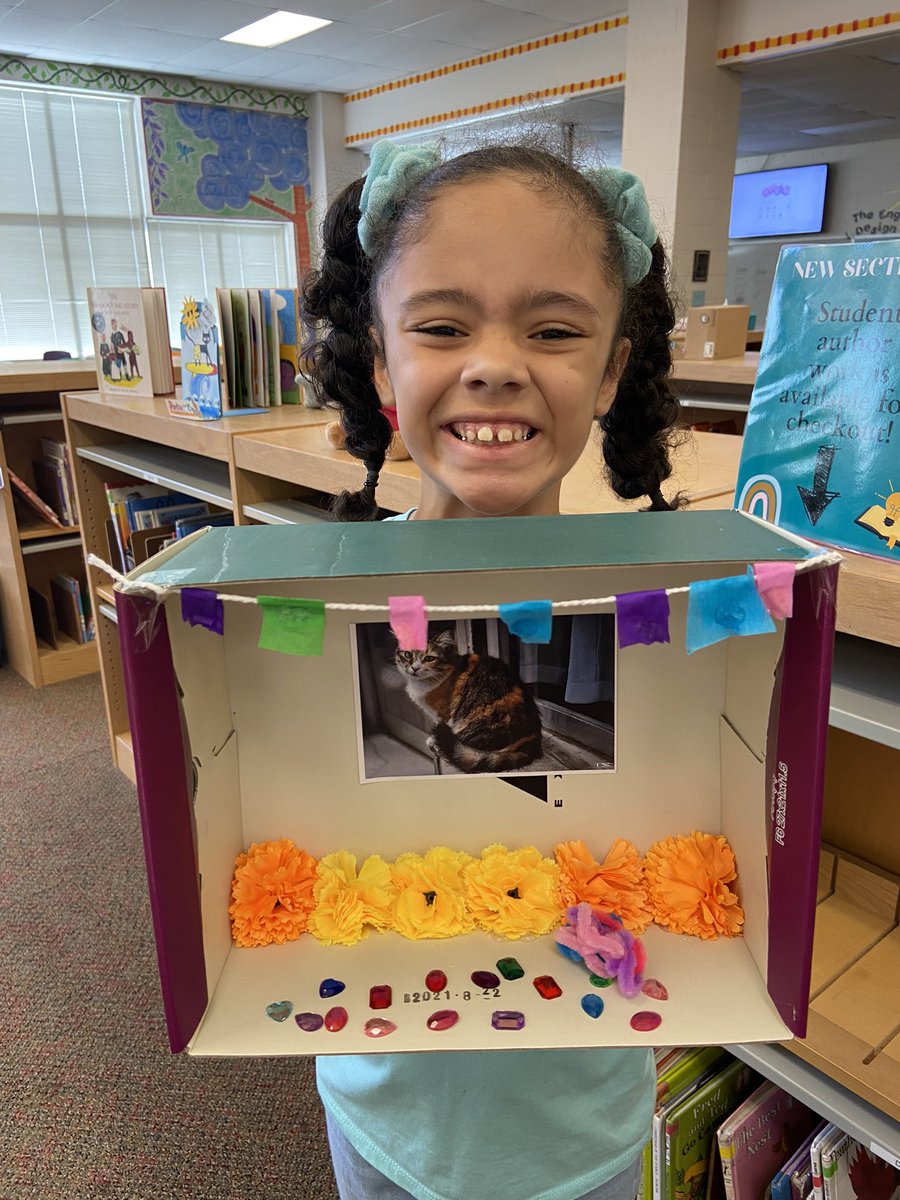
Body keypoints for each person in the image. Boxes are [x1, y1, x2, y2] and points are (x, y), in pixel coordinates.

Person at [300, 138, 682, 1200]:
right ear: (381, 362)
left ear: (609, 370)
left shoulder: (687, 607)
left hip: (583, 1128)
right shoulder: (305, 601)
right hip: (381, 1105)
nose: (495, 363)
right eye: (440, 325)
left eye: (554, 329)